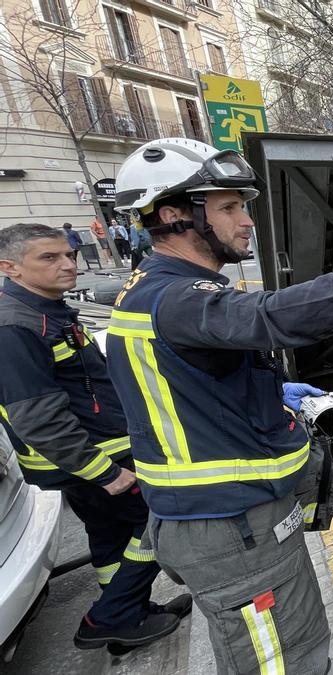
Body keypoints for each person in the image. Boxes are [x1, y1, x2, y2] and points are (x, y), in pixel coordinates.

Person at [105, 137, 333, 673]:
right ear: (174, 214)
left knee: (293, 640)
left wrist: (271, 393)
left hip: (237, 522)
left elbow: (192, 383)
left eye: (242, 205)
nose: (246, 220)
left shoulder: (160, 288)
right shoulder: (174, 297)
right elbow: (270, 316)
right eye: (227, 207)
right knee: (277, 661)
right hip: (229, 526)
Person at [0, 223, 191, 653]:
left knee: (109, 538)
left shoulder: (48, 312)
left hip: (95, 458)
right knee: (158, 524)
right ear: (9, 267)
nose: (68, 264)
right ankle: (109, 618)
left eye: (68, 254)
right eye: (49, 258)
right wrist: (107, 474)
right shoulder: (15, 327)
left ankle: (130, 613)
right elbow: (38, 419)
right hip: (91, 463)